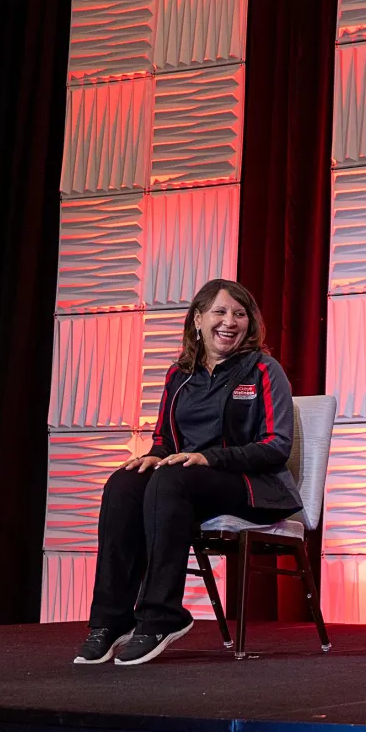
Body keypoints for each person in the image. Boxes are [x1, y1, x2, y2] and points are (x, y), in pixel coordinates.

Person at [74, 279, 298, 666]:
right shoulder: (179, 375)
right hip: (186, 484)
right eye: (221, 312)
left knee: (171, 479)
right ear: (198, 319)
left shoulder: (263, 369)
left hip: (252, 487)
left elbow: (277, 446)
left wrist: (212, 458)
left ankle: (161, 616)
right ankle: (111, 621)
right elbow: (165, 440)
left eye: (240, 314)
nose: (230, 321)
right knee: (124, 483)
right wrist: (154, 455)